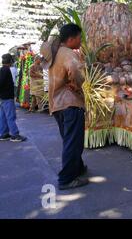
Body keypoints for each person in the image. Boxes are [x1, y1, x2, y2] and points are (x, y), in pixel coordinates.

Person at [40, 23, 88, 190]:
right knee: (73, 142)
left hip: (57, 104)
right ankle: (66, 179)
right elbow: (75, 70)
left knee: (70, 140)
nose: (81, 41)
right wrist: (77, 84)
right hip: (70, 103)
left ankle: (78, 168)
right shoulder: (68, 54)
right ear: (71, 38)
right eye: (79, 38)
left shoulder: (54, 52)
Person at [0, 53, 27, 142]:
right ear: (10, 61)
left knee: (3, 116)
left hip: (3, 97)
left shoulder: (2, 70)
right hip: (7, 97)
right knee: (10, 116)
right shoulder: (6, 70)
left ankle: (4, 134)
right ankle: (15, 135)